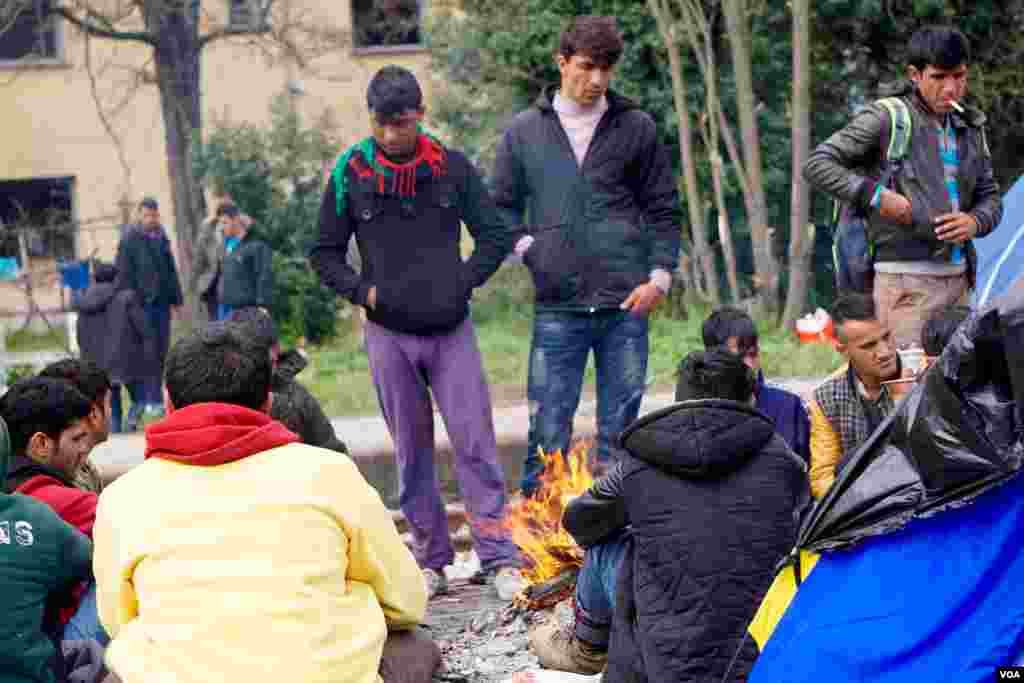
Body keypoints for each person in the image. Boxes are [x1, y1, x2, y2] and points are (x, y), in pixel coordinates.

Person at [92, 322, 436, 683]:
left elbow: (118, 619)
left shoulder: (122, 497)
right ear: (269, 403)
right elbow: (406, 602)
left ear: (167, 400)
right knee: (413, 645)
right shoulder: (329, 473)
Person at [310, 65, 522, 600]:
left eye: (400, 124)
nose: (389, 136)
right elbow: (324, 253)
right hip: (388, 334)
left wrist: (463, 282)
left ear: (419, 117)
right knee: (411, 450)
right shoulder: (348, 174)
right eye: (381, 125)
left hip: (451, 330)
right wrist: (364, 294)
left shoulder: (451, 168)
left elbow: (495, 235)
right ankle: (430, 559)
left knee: (475, 443)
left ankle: (497, 557)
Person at [491, 16, 681, 496]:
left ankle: (615, 550)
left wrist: (659, 278)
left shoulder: (636, 127)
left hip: (626, 304)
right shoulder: (524, 132)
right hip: (557, 306)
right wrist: (531, 251)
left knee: (622, 439)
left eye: (606, 70)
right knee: (549, 435)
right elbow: (500, 208)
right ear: (562, 63)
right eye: (586, 67)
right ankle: (542, 551)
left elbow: (663, 207)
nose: (596, 80)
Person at [529, 350, 807, 679]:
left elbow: (580, 523)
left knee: (607, 545)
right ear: (750, 399)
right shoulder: (784, 461)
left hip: (664, 663)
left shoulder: (640, 462)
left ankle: (587, 649)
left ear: (678, 401)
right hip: (765, 651)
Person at [804, 25, 1002, 350]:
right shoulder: (887, 118)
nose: (951, 88)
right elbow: (817, 164)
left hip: (960, 281)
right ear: (915, 74)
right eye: (939, 77)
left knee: (963, 389)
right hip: (903, 284)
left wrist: (975, 221)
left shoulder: (970, 125)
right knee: (908, 389)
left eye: (959, 76)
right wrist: (877, 196)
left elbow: (990, 196)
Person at [0, 378, 107, 646]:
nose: (85, 448)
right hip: (48, 653)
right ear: (40, 445)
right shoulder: (48, 505)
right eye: (77, 438)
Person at [809, 292, 901, 498]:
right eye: (869, 346)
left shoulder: (922, 375)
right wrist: (857, 501)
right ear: (843, 350)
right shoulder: (827, 397)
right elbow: (823, 475)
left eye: (886, 337)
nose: (885, 352)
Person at [227, 307, 348, 454]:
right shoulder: (214, 396)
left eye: (262, 363)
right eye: (247, 362)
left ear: (275, 353)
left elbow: (334, 454)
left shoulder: (297, 400)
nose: (255, 374)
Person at [701, 307, 811, 463]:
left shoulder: (788, 408)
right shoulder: (697, 414)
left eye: (752, 354)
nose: (748, 365)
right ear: (711, 359)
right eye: (737, 357)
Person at [114, 197, 183, 418]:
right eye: (147, 215)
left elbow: (170, 269)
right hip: (140, 305)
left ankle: (157, 400)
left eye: (154, 215)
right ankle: (148, 400)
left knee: (162, 350)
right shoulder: (129, 239)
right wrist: (127, 302)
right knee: (146, 352)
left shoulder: (162, 236)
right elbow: (123, 273)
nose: (151, 219)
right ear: (139, 215)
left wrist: (176, 300)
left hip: (161, 303)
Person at [73, 263, 152, 434]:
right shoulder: (127, 298)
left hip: (96, 362)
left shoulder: (83, 300)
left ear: (94, 279)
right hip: (127, 358)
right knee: (141, 397)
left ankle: (116, 432)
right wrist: (147, 348)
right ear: (116, 278)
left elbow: (79, 334)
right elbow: (142, 327)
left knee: (111, 399)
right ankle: (131, 419)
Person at [37, 359, 114, 493]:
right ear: (94, 413)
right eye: (109, 403)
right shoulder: (66, 477)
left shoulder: (84, 468)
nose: (111, 411)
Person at [216, 204, 274, 320]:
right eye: (220, 223)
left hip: (248, 311)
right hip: (225, 310)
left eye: (225, 222)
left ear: (236, 220)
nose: (222, 227)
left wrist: (262, 305)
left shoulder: (256, 244)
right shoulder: (224, 245)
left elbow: (263, 275)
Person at [193, 200, 233, 322]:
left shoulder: (234, 229)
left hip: (229, 283)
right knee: (217, 324)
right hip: (211, 286)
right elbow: (198, 263)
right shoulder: (207, 231)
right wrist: (199, 284)